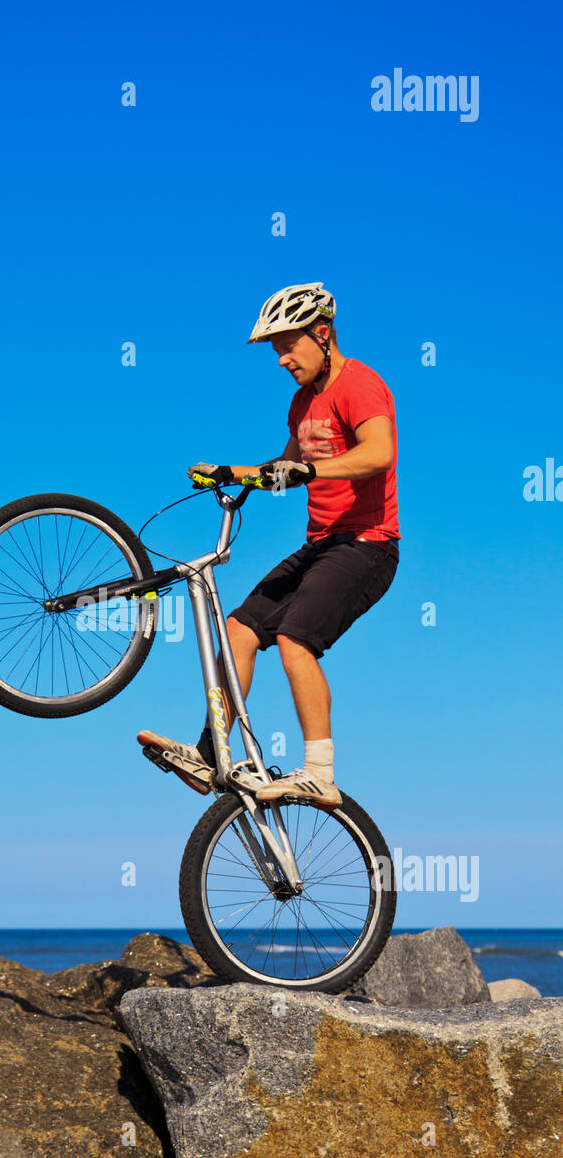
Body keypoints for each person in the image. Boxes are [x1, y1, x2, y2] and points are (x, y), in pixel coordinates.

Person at [137, 281, 400, 808]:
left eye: (287, 345)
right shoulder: (302, 402)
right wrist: (231, 472)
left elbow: (379, 453)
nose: (280, 359)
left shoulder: (360, 384)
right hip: (321, 545)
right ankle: (211, 754)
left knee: (296, 638)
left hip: (368, 547)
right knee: (239, 628)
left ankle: (319, 773)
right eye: (275, 349)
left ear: (321, 334)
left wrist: (313, 468)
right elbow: (285, 469)